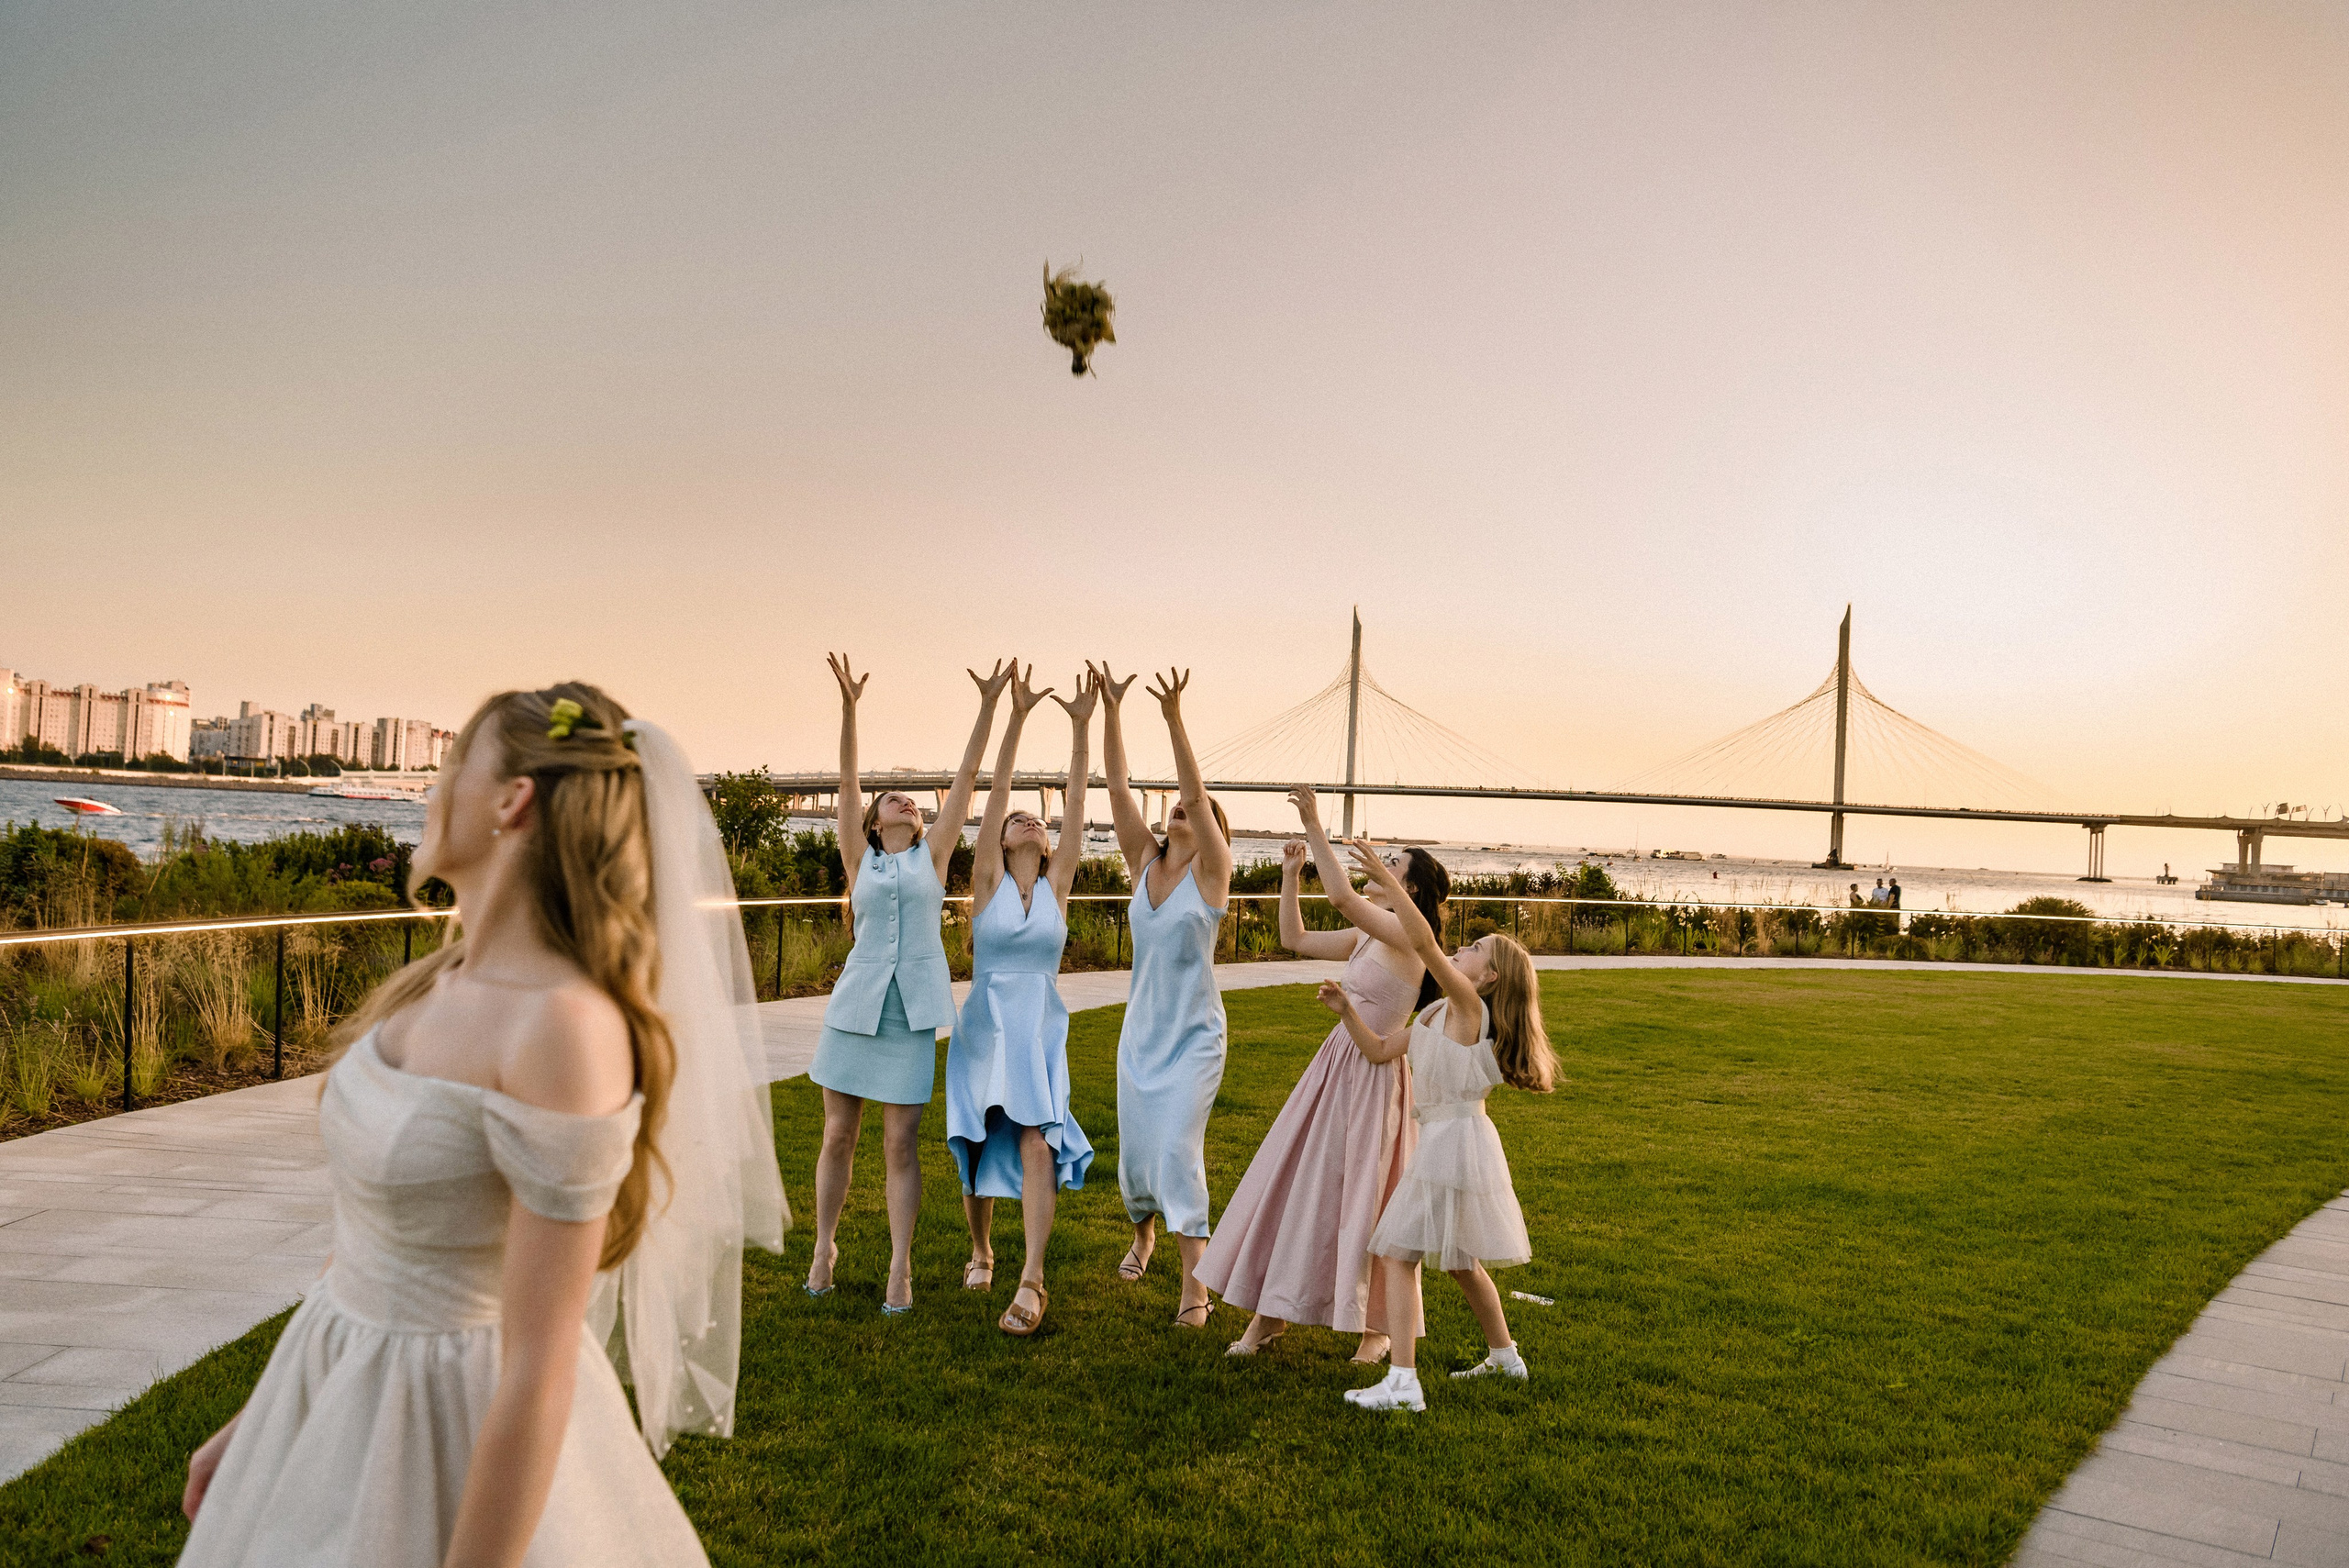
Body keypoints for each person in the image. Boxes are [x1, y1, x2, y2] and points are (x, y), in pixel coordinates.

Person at [178, 684, 787, 1565]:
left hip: (448, 1420)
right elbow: (369, 1246)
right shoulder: (434, 981)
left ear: (514, 800)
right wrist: (260, 1422)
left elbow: (540, 1366)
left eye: (455, 763)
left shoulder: (563, 1028)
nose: (433, 787)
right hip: (336, 1390)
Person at [1197, 784, 1445, 1362]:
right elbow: (1296, 939)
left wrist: (1314, 821)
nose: (1378, 863)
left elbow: (1340, 897)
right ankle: (1271, 1314)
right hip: (1334, 1067)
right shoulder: (1371, 932)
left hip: (1375, 1080)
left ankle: (1377, 1327)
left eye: (1392, 862)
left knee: (1366, 1199)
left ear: (1409, 888)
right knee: (1303, 1185)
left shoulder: (1411, 936)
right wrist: (1291, 875)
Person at [806, 653, 1010, 1314]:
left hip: (911, 1015)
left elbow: (968, 776)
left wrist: (988, 705)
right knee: (838, 1135)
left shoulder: (935, 855)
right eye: (892, 799)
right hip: (853, 1010)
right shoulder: (858, 856)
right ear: (874, 821)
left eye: (913, 802)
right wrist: (849, 708)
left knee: (900, 1143)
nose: (906, 801)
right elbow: (847, 780)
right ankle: (824, 1249)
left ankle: (901, 1268)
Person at [1327, 840, 1556, 1413]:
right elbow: (1380, 1050)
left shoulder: (1470, 1010)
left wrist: (1385, 878)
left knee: (1396, 1254)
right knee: (1458, 1260)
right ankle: (1505, 1357)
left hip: (1453, 1143)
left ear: (1489, 978)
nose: (1463, 948)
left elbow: (1426, 944)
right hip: (1449, 1142)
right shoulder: (1435, 1014)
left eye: (1476, 950)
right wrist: (1347, 1011)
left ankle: (1403, 1384)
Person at [947, 667, 1098, 1337]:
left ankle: (1032, 1277)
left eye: (1036, 818)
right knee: (978, 1139)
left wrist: (1081, 726)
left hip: (1037, 1028)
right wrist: (1011, 714)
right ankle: (981, 1249)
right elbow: (997, 792)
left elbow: (1077, 799)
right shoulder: (987, 881)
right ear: (1003, 841)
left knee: (1038, 1138)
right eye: (1016, 821)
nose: (1028, 818)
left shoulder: (1059, 883)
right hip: (986, 1025)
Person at [1097, 663, 1233, 1328]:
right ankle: (1143, 1233)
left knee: (1177, 1151)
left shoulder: (1213, 874)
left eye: (1191, 808)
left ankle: (1194, 1287)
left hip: (1194, 1038)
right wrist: (1112, 711)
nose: (1179, 807)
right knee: (1136, 1156)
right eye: (1173, 807)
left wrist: (1174, 718)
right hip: (1141, 1036)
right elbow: (1117, 787)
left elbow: (1197, 797)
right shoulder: (1143, 863)